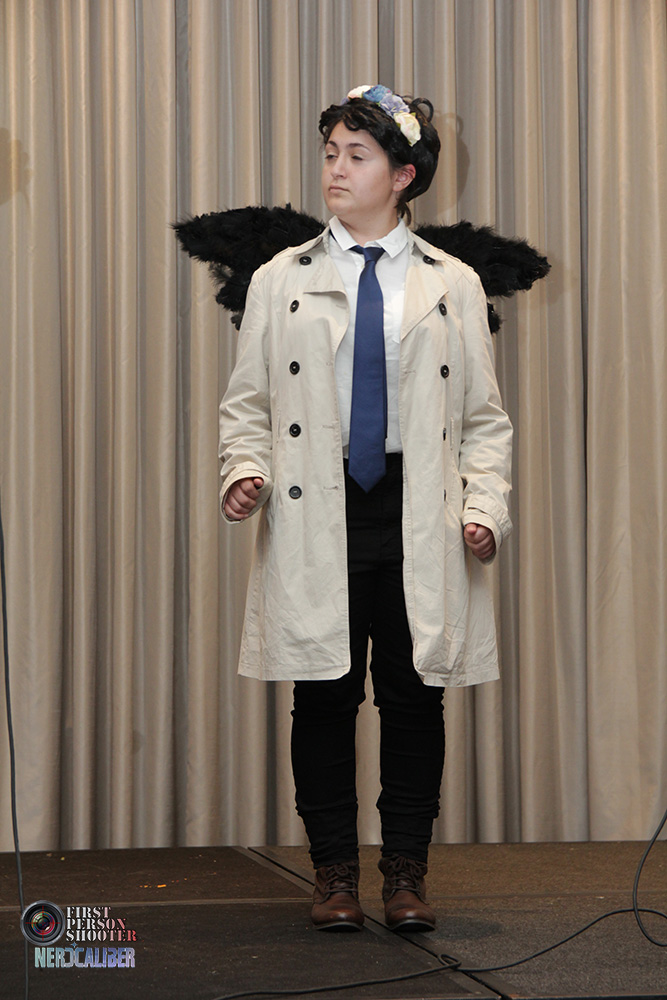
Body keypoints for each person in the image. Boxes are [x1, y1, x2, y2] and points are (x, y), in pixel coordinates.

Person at [218, 85, 512, 933]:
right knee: (323, 696)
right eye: (329, 154)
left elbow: (484, 420)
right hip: (317, 507)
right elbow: (248, 405)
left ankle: (406, 876)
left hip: (419, 510)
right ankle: (334, 877)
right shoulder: (281, 277)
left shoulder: (452, 282)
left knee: (415, 698)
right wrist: (245, 469)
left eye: (356, 155)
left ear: (402, 175)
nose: (335, 170)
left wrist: (484, 508)